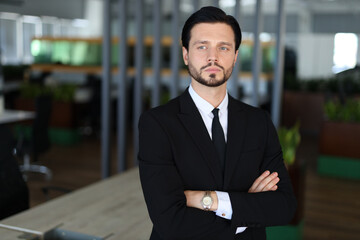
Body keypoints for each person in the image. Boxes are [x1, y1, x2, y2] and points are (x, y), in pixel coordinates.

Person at [138, 6, 297, 240]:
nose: (213, 57)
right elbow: (170, 220)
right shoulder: (158, 124)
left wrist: (206, 200)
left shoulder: (258, 122)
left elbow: (284, 206)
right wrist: (247, 211)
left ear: (235, 56)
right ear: (186, 54)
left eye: (223, 47)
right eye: (202, 46)